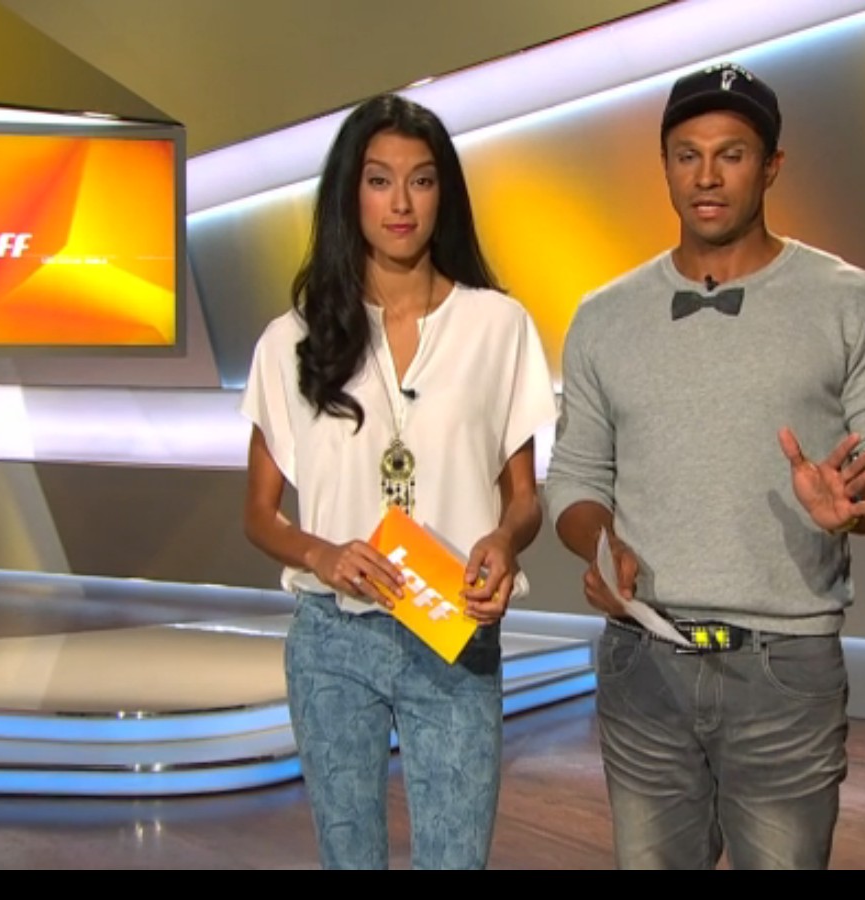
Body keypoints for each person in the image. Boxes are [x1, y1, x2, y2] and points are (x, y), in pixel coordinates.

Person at [544, 61, 865, 870]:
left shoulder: (853, 302)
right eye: (687, 156)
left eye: (731, 154)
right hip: (641, 659)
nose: (707, 177)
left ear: (772, 166)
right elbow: (575, 478)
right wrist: (600, 544)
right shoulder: (603, 316)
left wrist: (858, 502)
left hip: (784, 666)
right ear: (664, 167)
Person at [239, 93, 557, 869]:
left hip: (454, 631)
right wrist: (321, 555)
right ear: (350, 195)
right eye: (380, 181)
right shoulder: (291, 340)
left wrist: (504, 540)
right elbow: (259, 514)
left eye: (421, 180)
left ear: (444, 193)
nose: (401, 203)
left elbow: (524, 498)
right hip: (334, 639)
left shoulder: (498, 326)